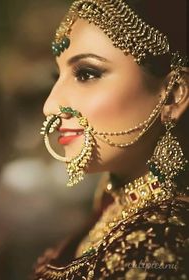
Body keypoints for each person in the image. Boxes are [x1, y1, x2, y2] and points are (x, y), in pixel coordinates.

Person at [31, 0, 189, 279]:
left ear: (173, 95)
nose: (51, 105)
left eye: (86, 74)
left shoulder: (160, 243)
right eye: (58, 76)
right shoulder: (112, 206)